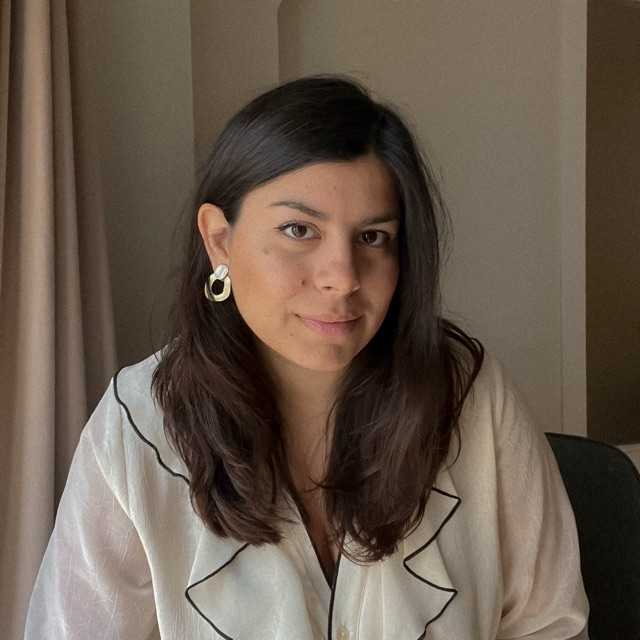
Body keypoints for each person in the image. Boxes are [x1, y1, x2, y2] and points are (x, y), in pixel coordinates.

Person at [24, 74, 590, 639]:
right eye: (299, 229)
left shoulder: (474, 398)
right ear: (219, 240)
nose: (342, 277)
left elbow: (550, 626)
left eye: (373, 237)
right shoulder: (136, 428)